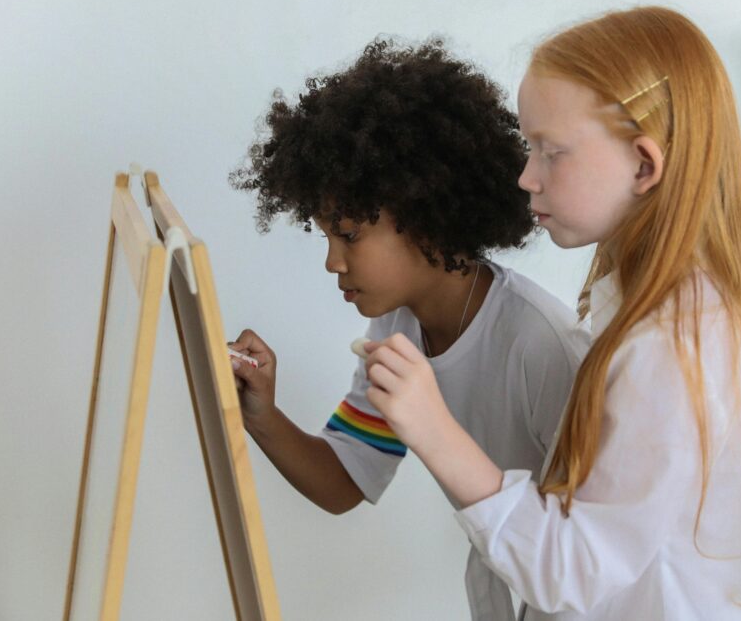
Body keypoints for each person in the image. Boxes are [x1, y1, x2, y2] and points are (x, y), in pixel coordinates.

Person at [362, 7, 741, 620]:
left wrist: (434, 429)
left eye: (550, 152)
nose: (526, 177)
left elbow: (574, 570)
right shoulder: (647, 316)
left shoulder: (669, 346)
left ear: (644, 165)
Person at [228, 38, 591, 620]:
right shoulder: (396, 326)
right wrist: (262, 415)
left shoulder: (540, 346)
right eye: (325, 236)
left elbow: (590, 554)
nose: (332, 262)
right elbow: (345, 479)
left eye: (348, 235)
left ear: (427, 220)